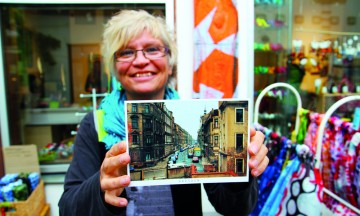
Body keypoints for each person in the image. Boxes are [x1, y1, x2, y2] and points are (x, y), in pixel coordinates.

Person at [58, 10, 269, 216]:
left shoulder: (189, 113)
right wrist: (100, 187)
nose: (140, 61)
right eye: (126, 52)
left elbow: (234, 209)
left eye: (152, 49)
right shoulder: (97, 124)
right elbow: (68, 208)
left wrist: (242, 170)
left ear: (169, 65)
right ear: (114, 69)